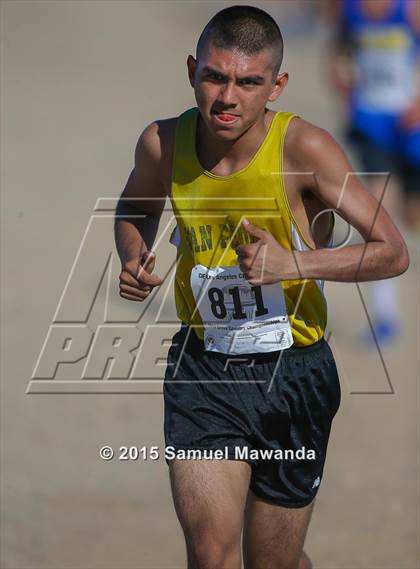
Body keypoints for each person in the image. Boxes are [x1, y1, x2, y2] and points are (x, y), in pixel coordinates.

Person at [114, 5, 409, 568]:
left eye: (249, 82)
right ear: (191, 70)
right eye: (215, 76)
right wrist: (134, 254)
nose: (228, 97)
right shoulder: (162, 142)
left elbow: (392, 251)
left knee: (273, 563)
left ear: (277, 85)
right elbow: (134, 205)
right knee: (211, 553)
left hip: (295, 372)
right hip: (204, 369)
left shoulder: (306, 149)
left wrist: (293, 267)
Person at [326, 0, 420, 344]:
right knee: (381, 216)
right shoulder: (350, 9)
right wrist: (343, 83)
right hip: (371, 122)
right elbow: (337, 48)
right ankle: (386, 317)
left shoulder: (408, 9)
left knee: (412, 217)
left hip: (411, 124)